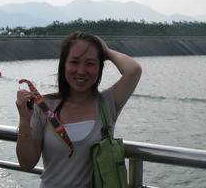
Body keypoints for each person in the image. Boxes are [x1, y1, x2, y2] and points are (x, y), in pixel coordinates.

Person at [15, 31, 142, 188]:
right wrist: (25, 119)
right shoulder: (44, 106)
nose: (81, 71)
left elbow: (133, 70)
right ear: (63, 65)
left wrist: (106, 51)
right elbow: (27, 163)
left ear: (99, 68)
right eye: (74, 62)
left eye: (90, 63)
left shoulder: (108, 103)